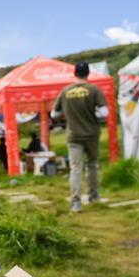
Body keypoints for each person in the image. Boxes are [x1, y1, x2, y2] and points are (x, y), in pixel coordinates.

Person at [51, 62, 108, 212]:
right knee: (92, 165)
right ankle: (94, 197)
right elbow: (104, 113)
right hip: (91, 134)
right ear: (88, 74)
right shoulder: (94, 89)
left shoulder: (65, 91)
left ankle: (76, 202)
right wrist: (93, 115)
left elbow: (54, 114)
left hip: (73, 135)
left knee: (76, 168)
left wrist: (68, 115)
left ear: (75, 73)